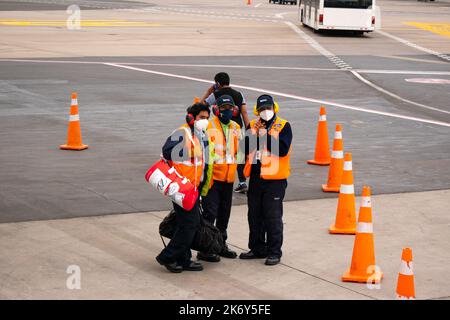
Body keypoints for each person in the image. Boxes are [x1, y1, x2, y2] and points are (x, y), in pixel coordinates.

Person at [155, 103, 214, 273]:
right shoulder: (182, 132)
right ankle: (167, 256)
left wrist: (203, 187)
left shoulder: (201, 135)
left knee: (185, 224)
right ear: (191, 117)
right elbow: (166, 151)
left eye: (207, 118)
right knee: (190, 225)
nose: (205, 121)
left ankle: (184, 258)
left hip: (193, 188)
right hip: (180, 188)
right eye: (202, 117)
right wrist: (188, 152)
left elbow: (203, 164)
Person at [239, 94, 293, 266]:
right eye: (262, 109)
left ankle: (274, 252)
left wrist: (263, 135)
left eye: (268, 108)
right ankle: (257, 248)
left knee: (272, 216)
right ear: (257, 111)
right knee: (254, 215)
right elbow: (244, 148)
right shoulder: (253, 125)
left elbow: (282, 149)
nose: (265, 112)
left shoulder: (284, 126)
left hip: (275, 179)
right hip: (256, 177)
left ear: (274, 108)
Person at [197, 95, 241, 263]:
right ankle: (206, 248)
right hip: (212, 179)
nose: (227, 111)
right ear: (216, 110)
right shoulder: (208, 125)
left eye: (229, 108)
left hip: (228, 180)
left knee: (224, 214)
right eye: (223, 108)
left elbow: (239, 152)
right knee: (210, 213)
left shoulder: (236, 127)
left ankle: (221, 245)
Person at [201, 72, 250, 194]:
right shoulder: (239, 94)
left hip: (220, 129)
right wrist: (248, 128)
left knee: (219, 154)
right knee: (238, 154)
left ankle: (216, 179)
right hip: (236, 128)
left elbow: (200, 106)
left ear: (217, 83)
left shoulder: (215, 94)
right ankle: (242, 181)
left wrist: (208, 92)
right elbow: (244, 112)